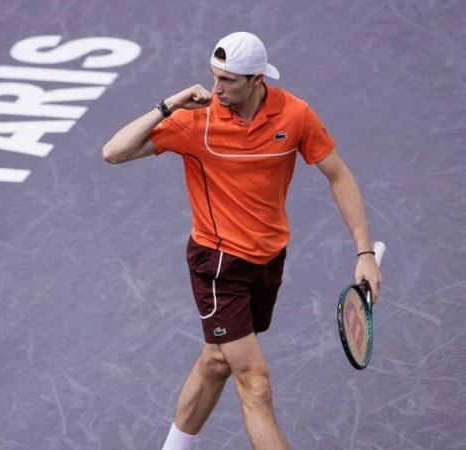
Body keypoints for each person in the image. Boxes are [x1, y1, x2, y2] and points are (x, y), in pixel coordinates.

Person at [101, 31, 382, 449]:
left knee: (217, 359)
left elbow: (338, 176)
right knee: (254, 381)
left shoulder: (295, 115)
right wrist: (168, 105)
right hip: (218, 266)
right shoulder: (198, 121)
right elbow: (114, 152)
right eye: (214, 77)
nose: (216, 89)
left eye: (228, 81)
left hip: (268, 261)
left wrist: (364, 252)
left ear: (257, 79)